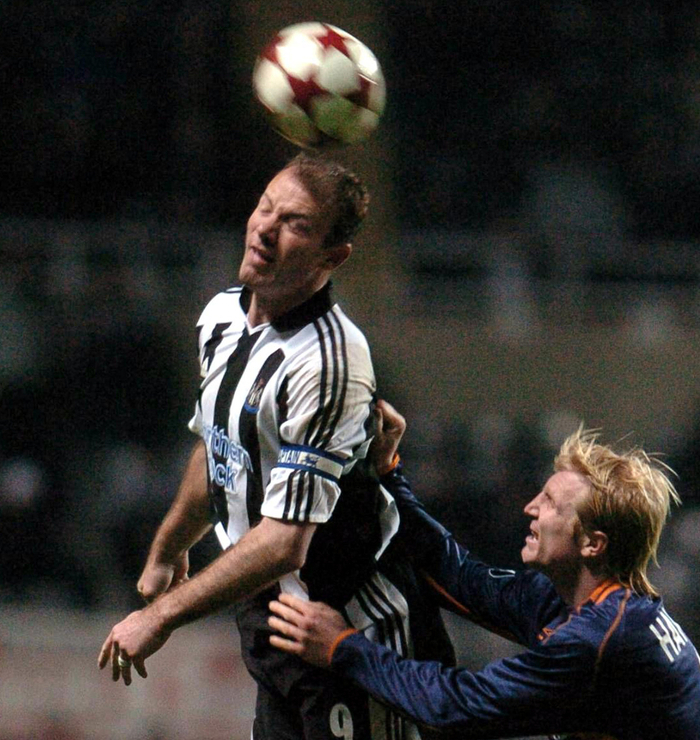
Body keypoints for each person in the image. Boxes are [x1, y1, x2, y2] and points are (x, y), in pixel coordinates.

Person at [98, 155, 452, 740]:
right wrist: (168, 548)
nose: (265, 227)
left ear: (331, 258)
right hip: (273, 625)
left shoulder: (329, 361)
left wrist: (160, 616)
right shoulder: (220, 317)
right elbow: (218, 445)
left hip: (347, 631)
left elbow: (286, 542)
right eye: (266, 206)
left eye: (296, 224)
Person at [268, 400, 700, 740]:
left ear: (593, 543)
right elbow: (460, 576)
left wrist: (342, 648)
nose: (531, 508)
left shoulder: (600, 640)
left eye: (550, 504)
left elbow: (458, 706)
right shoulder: (583, 606)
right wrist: (390, 470)